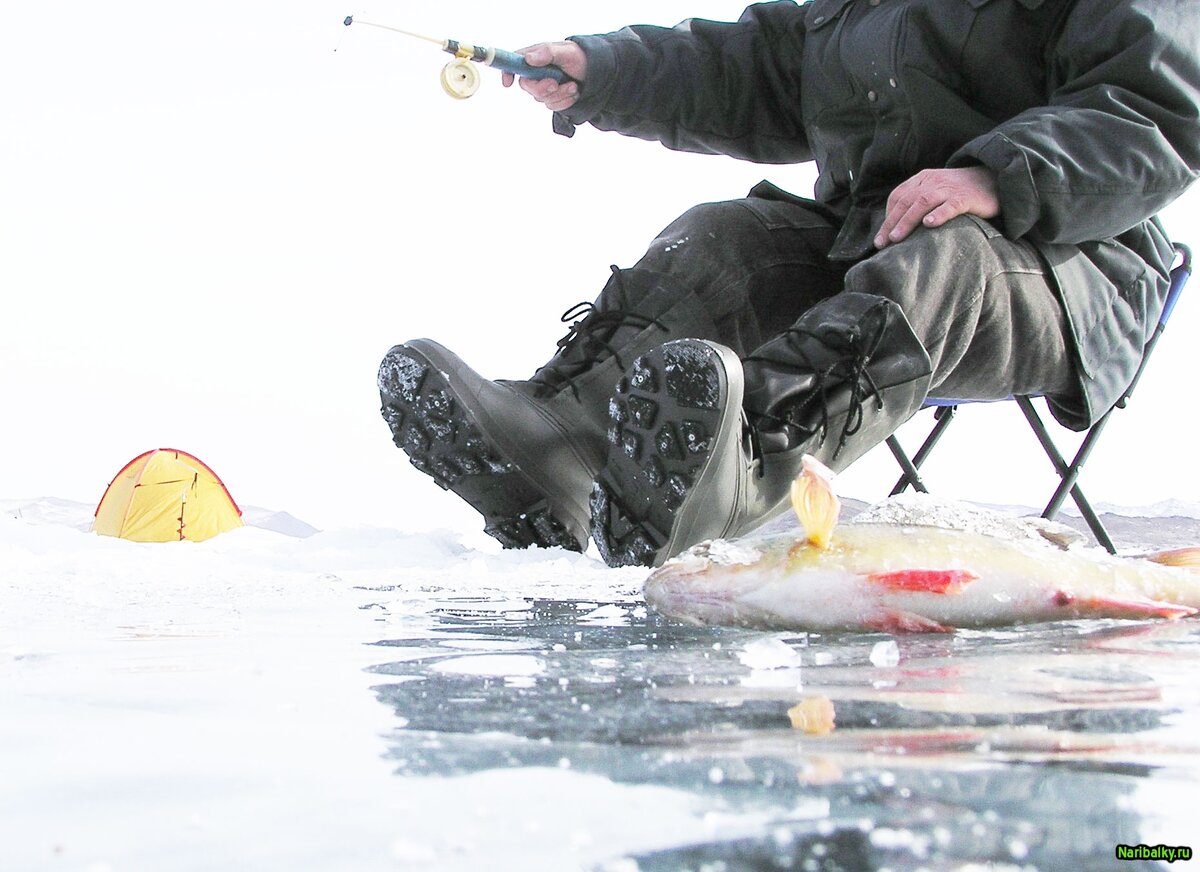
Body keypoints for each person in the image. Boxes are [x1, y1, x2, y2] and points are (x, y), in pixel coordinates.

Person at [378, 0, 1200, 568]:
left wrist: (996, 175)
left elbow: (1159, 106)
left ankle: (742, 465)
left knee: (941, 257)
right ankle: (558, 446)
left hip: (1064, 261)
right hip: (872, 241)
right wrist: (607, 72)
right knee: (725, 239)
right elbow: (759, 68)